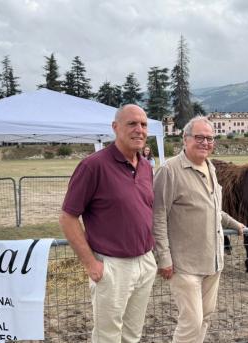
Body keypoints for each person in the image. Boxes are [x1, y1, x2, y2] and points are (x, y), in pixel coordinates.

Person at [59, 104, 157, 343]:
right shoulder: (93, 166)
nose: (139, 130)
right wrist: (91, 263)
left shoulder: (146, 167)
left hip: (144, 262)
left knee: (132, 335)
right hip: (113, 266)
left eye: (143, 124)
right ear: (115, 127)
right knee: (108, 337)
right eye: (132, 123)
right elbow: (67, 218)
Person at [153, 116, 245, 343]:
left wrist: (234, 224)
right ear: (185, 139)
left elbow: (212, 209)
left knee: (205, 316)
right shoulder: (169, 171)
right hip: (184, 265)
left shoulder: (210, 167)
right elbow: (157, 216)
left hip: (213, 262)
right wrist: (163, 258)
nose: (205, 142)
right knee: (191, 321)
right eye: (199, 137)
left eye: (210, 138)